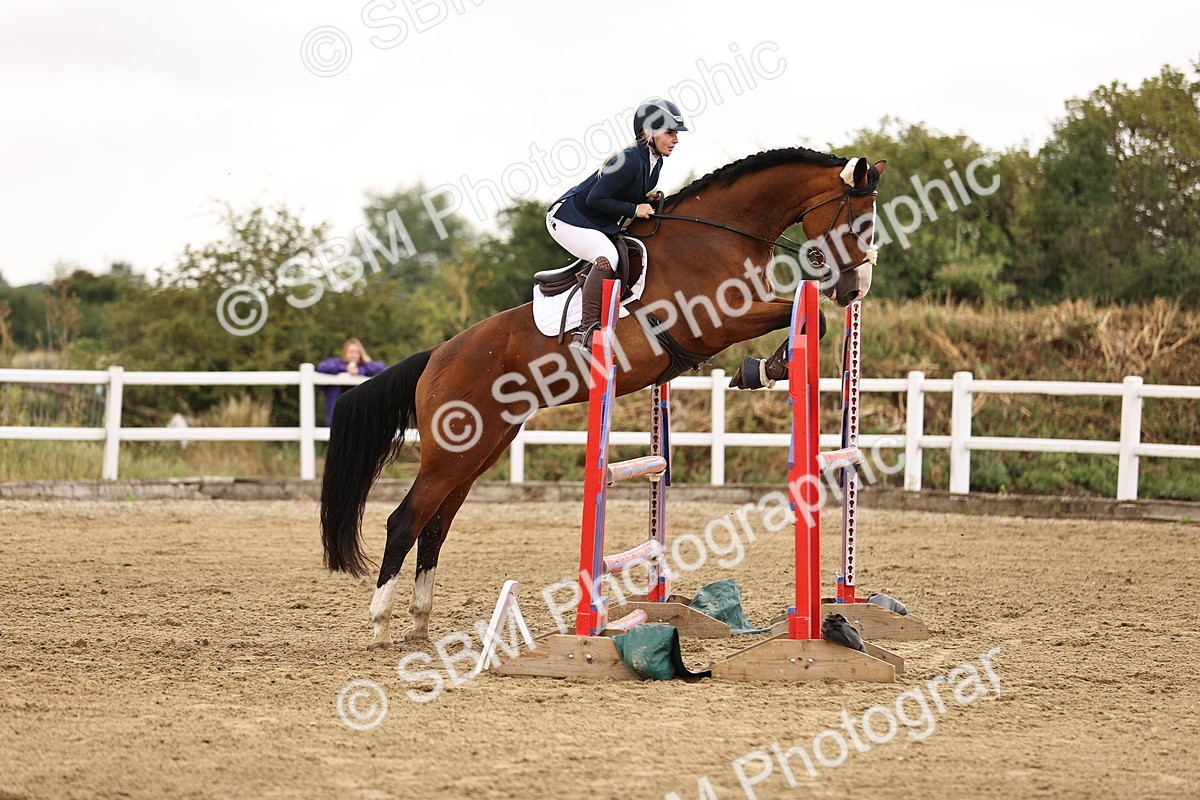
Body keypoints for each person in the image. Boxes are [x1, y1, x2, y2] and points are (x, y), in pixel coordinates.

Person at [546, 98, 688, 349]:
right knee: (607, 256)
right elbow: (596, 198)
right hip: (567, 218)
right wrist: (635, 208)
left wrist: (644, 200)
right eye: (669, 133)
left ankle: (589, 285)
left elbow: (621, 194)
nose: (675, 139)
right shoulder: (631, 159)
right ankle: (585, 331)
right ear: (648, 133)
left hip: (593, 220)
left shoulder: (655, 162)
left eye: (675, 133)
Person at [316, 338, 387, 426]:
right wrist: (345, 369)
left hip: (362, 416)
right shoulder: (336, 364)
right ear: (345, 352)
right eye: (351, 351)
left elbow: (382, 368)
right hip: (339, 416)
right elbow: (322, 367)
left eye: (357, 352)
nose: (353, 355)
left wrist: (360, 371)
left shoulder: (367, 366)